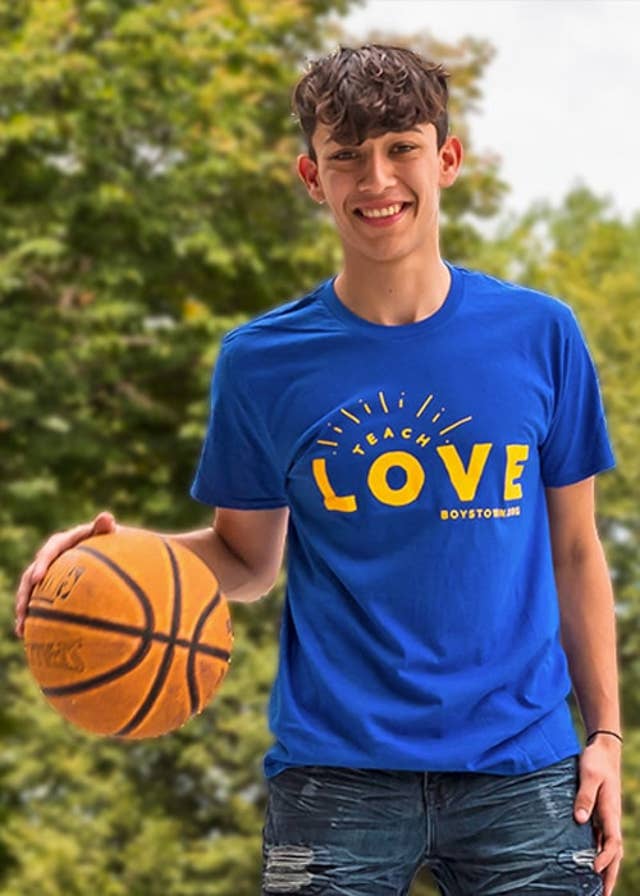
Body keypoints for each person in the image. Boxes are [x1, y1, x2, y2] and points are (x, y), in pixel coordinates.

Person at [15, 44, 622, 896]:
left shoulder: (541, 335)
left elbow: (574, 551)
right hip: (336, 778)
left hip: (523, 771)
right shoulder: (262, 362)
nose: (377, 179)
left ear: (446, 160)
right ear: (313, 176)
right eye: (347, 156)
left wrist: (606, 737)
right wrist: (105, 564)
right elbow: (246, 559)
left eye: (401, 148)